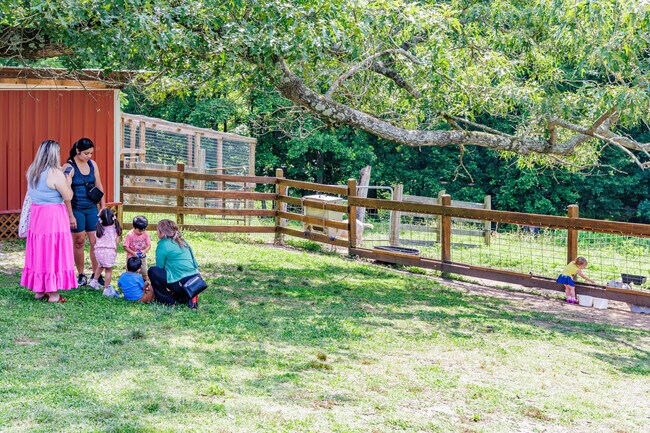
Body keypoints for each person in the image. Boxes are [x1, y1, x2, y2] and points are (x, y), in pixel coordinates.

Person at [21, 140, 77, 303]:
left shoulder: (33, 170)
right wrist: (68, 181)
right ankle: (53, 293)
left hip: (37, 213)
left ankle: (39, 289)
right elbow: (68, 196)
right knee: (53, 250)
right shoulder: (55, 173)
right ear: (54, 154)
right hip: (53, 215)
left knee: (40, 250)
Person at [63, 137, 106, 287]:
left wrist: (103, 208)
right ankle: (81, 274)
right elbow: (65, 193)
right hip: (76, 209)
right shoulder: (68, 167)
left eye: (91, 153)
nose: (89, 156)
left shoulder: (93, 165)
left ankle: (96, 274)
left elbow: (99, 186)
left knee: (95, 242)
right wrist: (70, 215)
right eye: (86, 153)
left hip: (91, 208)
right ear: (77, 151)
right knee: (79, 242)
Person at [148, 219, 200, 308]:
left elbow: (160, 267)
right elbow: (195, 263)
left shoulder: (163, 245)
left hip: (181, 284)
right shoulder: (183, 241)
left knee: (153, 271)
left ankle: (167, 300)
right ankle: (185, 296)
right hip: (196, 282)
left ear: (162, 233)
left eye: (157, 230)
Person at [89, 208, 121, 297]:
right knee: (108, 271)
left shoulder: (99, 228)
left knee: (100, 266)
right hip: (109, 252)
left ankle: (94, 282)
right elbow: (117, 241)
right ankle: (106, 289)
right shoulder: (115, 229)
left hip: (98, 252)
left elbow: (95, 240)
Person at [122, 215, 151, 282]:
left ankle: (146, 283)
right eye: (140, 231)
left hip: (142, 257)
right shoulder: (130, 235)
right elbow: (125, 246)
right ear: (134, 227)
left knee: (144, 271)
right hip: (131, 258)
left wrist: (145, 250)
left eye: (144, 230)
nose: (142, 232)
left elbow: (149, 245)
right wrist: (133, 253)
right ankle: (130, 282)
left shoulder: (145, 234)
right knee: (131, 272)